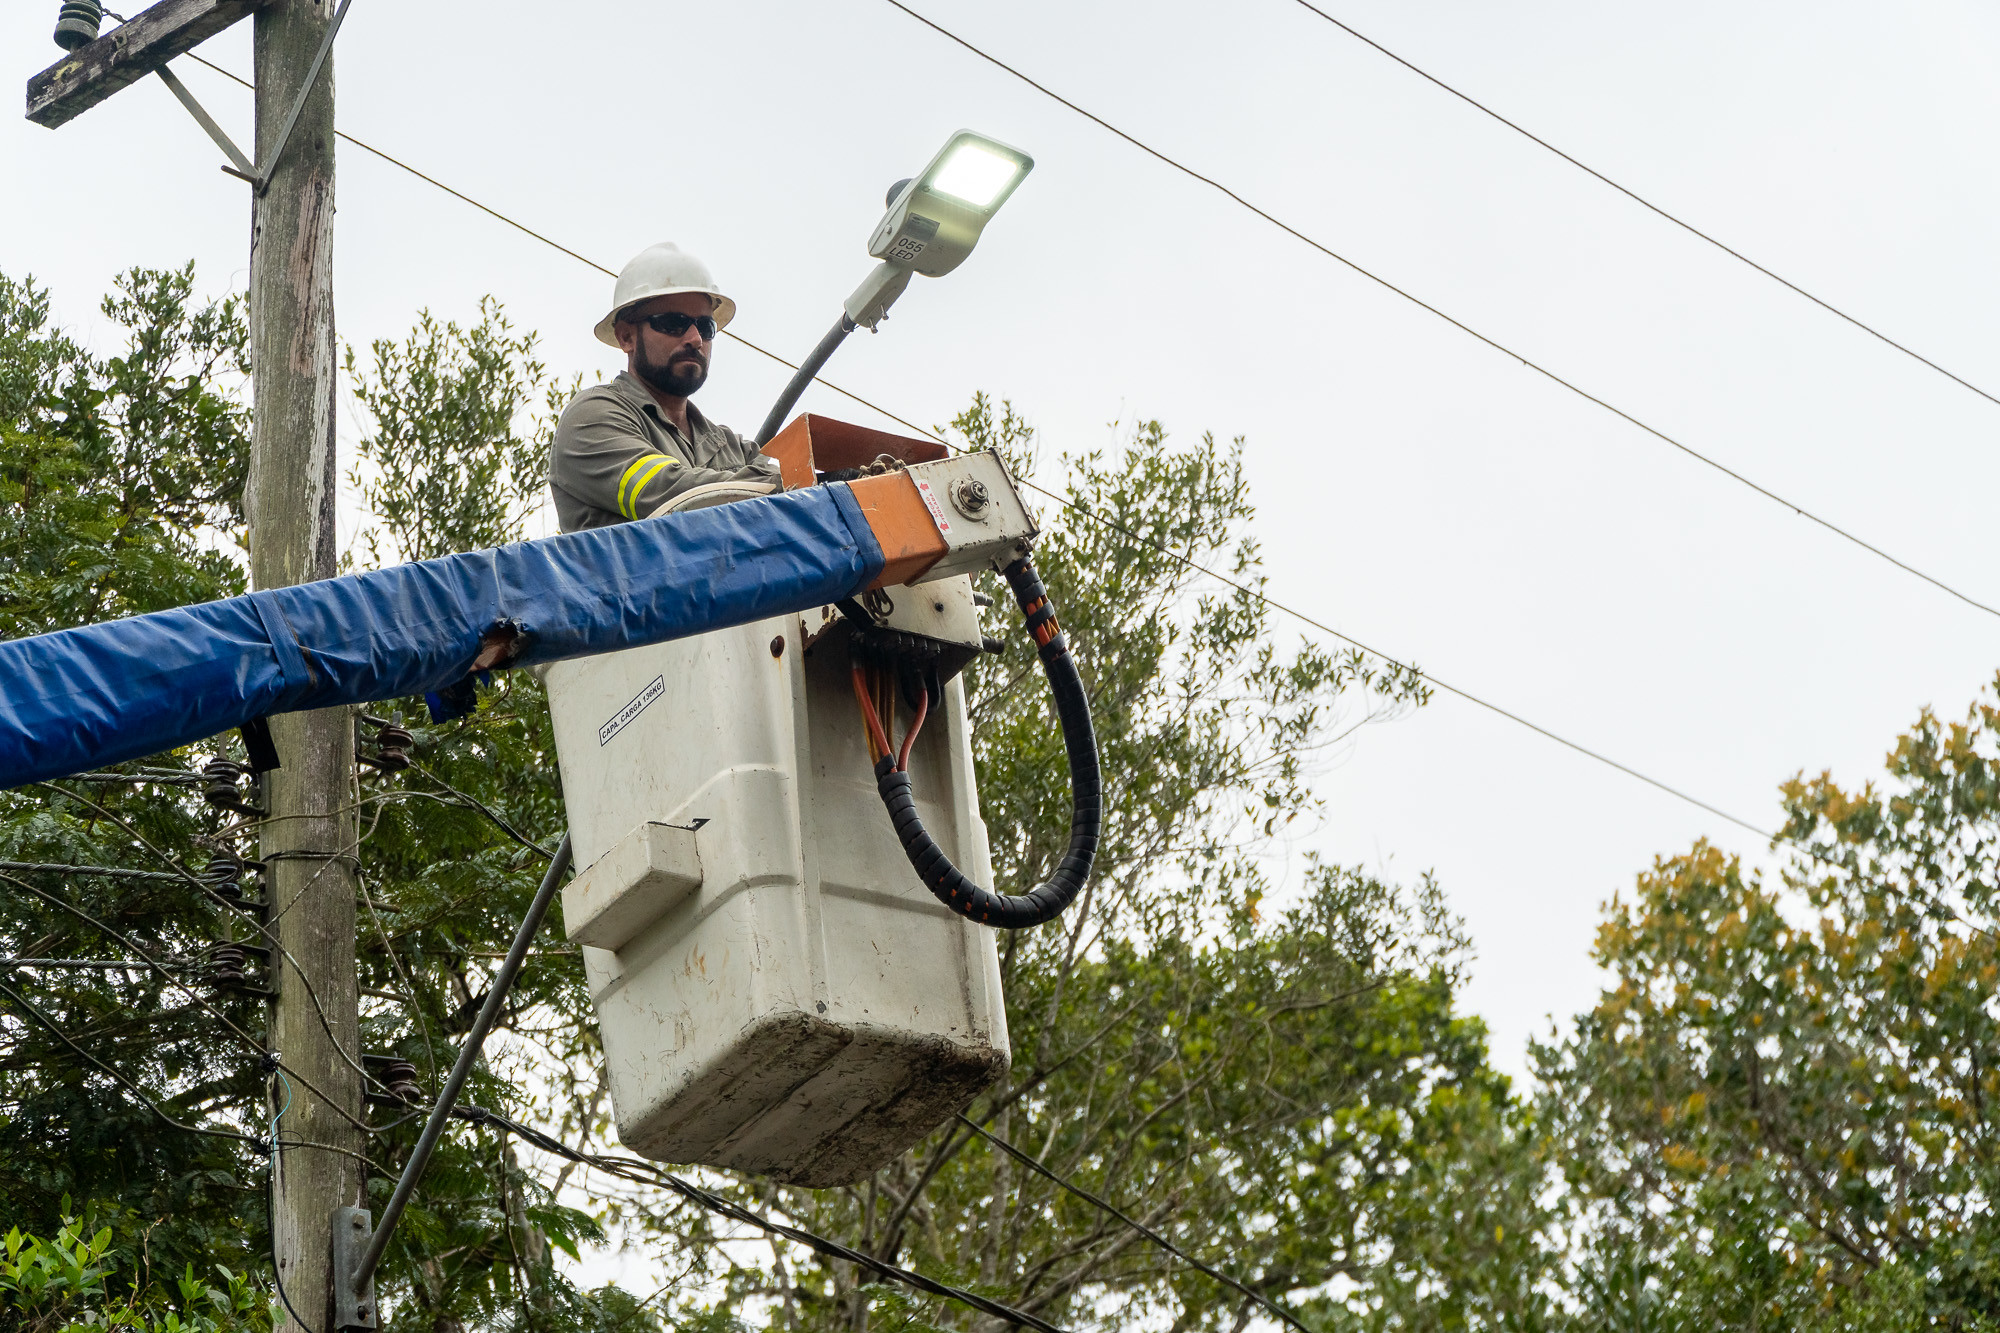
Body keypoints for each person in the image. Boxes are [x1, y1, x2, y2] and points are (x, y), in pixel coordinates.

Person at [550, 243, 782, 533]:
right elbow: (674, 498)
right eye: (674, 323)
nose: (696, 338)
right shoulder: (591, 418)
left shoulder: (730, 447)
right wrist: (785, 485)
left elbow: (795, 477)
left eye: (706, 326)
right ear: (626, 336)